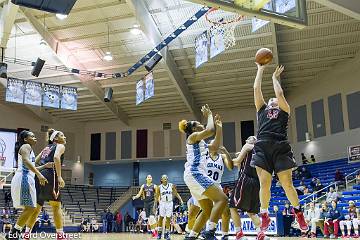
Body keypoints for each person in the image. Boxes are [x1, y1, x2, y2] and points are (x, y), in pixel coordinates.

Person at [252, 64, 308, 234]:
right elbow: (256, 88)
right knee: (264, 184)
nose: (271, 100)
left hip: (280, 147)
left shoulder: (284, 110)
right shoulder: (262, 110)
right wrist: (260, 68)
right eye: (269, 100)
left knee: (287, 184)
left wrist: (274, 78)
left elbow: (280, 94)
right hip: (262, 146)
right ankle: (264, 214)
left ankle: (297, 212)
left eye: (273, 100)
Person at [179, 107, 228, 240]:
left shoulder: (200, 142)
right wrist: (209, 115)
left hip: (193, 175)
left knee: (207, 210)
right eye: (198, 123)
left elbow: (215, 146)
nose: (201, 124)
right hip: (195, 173)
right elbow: (209, 130)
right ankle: (210, 232)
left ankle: (192, 236)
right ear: (194, 129)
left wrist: (219, 128)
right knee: (222, 199)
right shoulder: (192, 137)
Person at [23, 129, 67, 240]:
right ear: (56, 139)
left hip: (39, 176)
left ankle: (27, 234)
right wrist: (59, 176)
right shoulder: (60, 146)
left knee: (37, 208)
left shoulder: (46, 148)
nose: (65, 137)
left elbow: (33, 162)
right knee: (56, 206)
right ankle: (60, 235)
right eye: (62, 135)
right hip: (51, 176)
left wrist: (40, 169)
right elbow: (57, 157)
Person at [5, 130, 50, 240]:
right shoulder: (26, 146)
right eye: (32, 136)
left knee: (31, 208)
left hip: (26, 177)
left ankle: (14, 233)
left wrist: (44, 166)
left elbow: (31, 166)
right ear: (25, 139)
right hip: (23, 178)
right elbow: (26, 161)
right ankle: (14, 233)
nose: (35, 138)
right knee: (31, 208)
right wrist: (39, 175)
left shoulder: (29, 149)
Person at [229, 136, 268, 240]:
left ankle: (239, 233)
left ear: (251, 141)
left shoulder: (248, 146)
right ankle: (260, 233)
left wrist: (227, 158)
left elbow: (237, 162)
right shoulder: (262, 152)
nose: (247, 140)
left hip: (245, 179)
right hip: (257, 182)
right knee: (251, 211)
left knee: (232, 206)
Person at [205, 141, 234, 240]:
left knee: (226, 212)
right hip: (205, 186)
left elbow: (230, 167)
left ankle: (225, 235)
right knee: (205, 212)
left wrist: (226, 152)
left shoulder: (222, 157)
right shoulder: (204, 155)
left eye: (217, 144)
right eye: (214, 144)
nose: (216, 145)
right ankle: (195, 232)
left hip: (217, 186)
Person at [155, 174, 183, 240]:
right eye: (163, 178)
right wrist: (155, 205)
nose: (165, 178)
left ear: (167, 179)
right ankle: (159, 233)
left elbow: (176, 193)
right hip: (162, 203)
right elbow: (156, 196)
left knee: (168, 218)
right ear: (161, 180)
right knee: (161, 217)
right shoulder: (159, 187)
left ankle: (167, 233)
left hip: (170, 203)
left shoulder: (171, 185)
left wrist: (181, 200)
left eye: (166, 177)